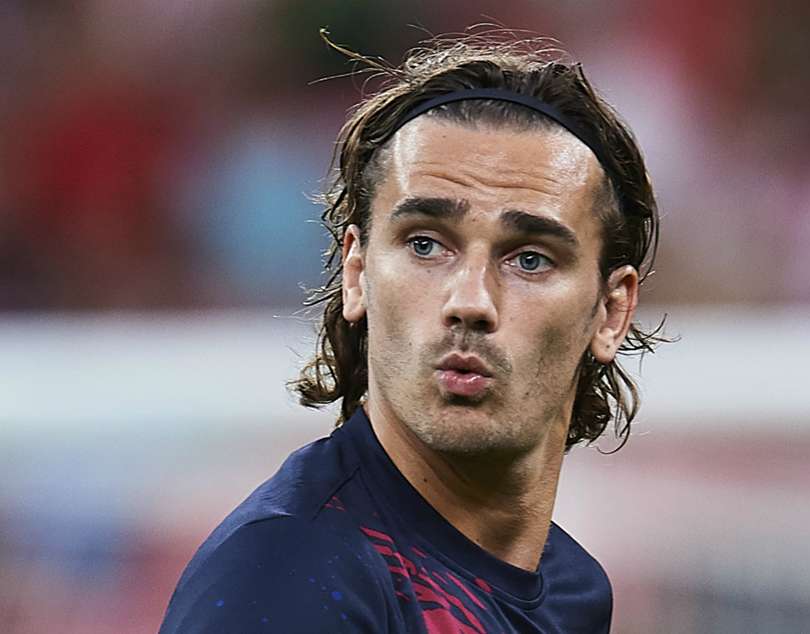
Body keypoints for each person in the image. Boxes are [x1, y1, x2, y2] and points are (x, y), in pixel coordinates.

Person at [160, 32, 661, 633]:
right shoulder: (287, 576)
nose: (470, 302)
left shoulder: (572, 591)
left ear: (611, 312)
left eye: (529, 259)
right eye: (425, 245)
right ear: (357, 274)